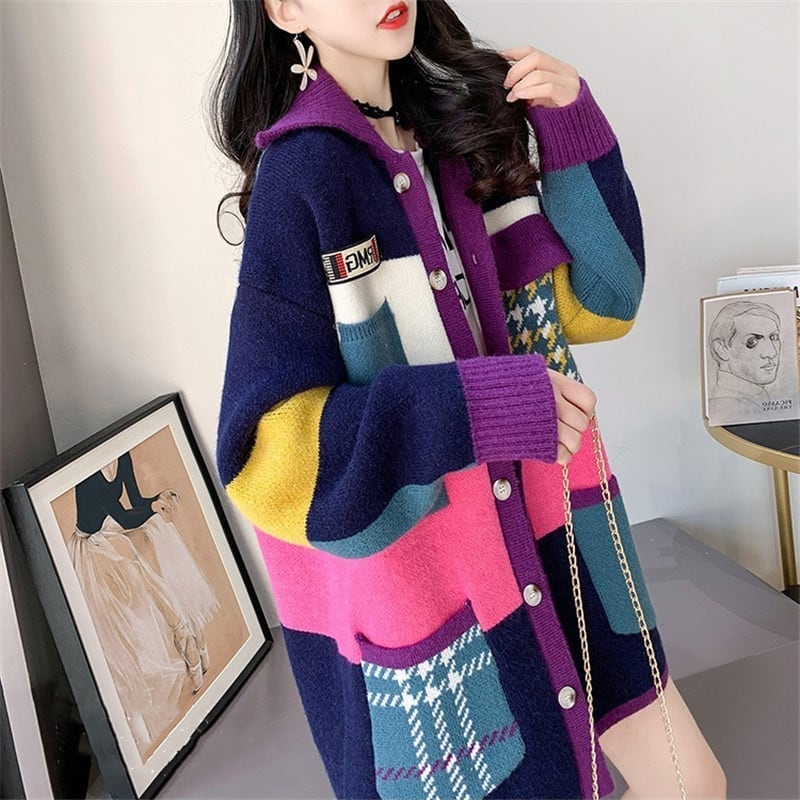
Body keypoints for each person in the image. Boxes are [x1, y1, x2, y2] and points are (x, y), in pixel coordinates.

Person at [209, 2, 726, 798]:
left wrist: (572, 126)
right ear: (285, 9)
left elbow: (603, 301)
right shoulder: (303, 176)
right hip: (445, 602)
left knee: (694, 785)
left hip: (561, 543)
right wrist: (478, 408)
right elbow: (266, 460)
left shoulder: (457, 138)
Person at [70, 451, 219, 748]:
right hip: (93, 548)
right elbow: (123, 516)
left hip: (113, 534)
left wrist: (157, 499)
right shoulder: (87, 479)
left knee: (158, 532)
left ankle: (190, 634)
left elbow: (135, 501)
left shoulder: (121, 456)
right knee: (124, 625)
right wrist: (153, 508)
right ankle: (182, 643)